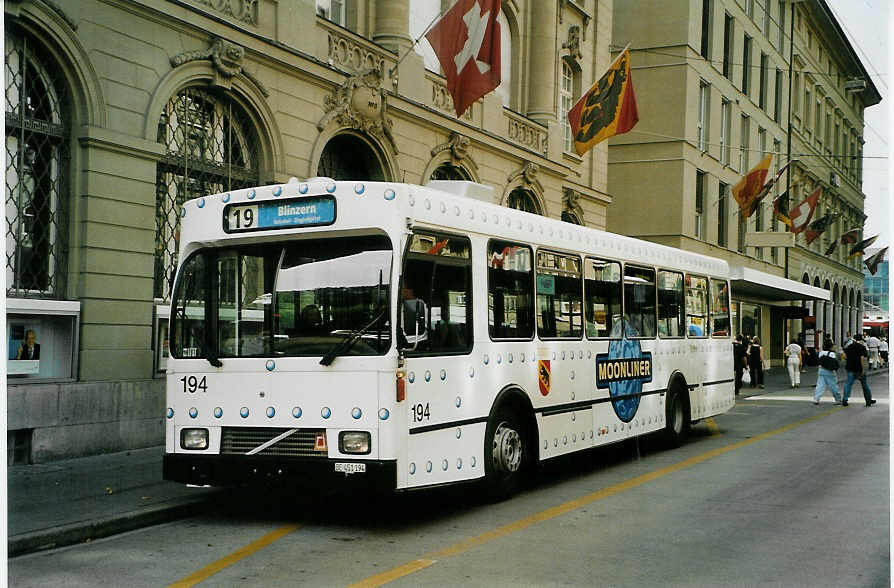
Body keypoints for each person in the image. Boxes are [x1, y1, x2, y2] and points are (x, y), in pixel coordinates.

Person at [842, 334, 875, 407]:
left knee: (848, 384)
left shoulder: (849, 346)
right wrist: (863, 369)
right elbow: (862, 359)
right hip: (859, 369)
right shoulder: (862, 347)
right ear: (861, 339)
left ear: (854, 339)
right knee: (864, 385)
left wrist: (849, 359)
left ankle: (845, 399)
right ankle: (868, 400)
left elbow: (843, 356)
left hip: (850, 368)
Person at [813, 339, 841, 405]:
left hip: (821, 370)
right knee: (833, 386)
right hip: (830, 372)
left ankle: (816, 399)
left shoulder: (821, 352)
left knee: (820, 385)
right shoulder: (832, 354)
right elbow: (834, 364)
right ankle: (838, 399)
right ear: (830, 347)